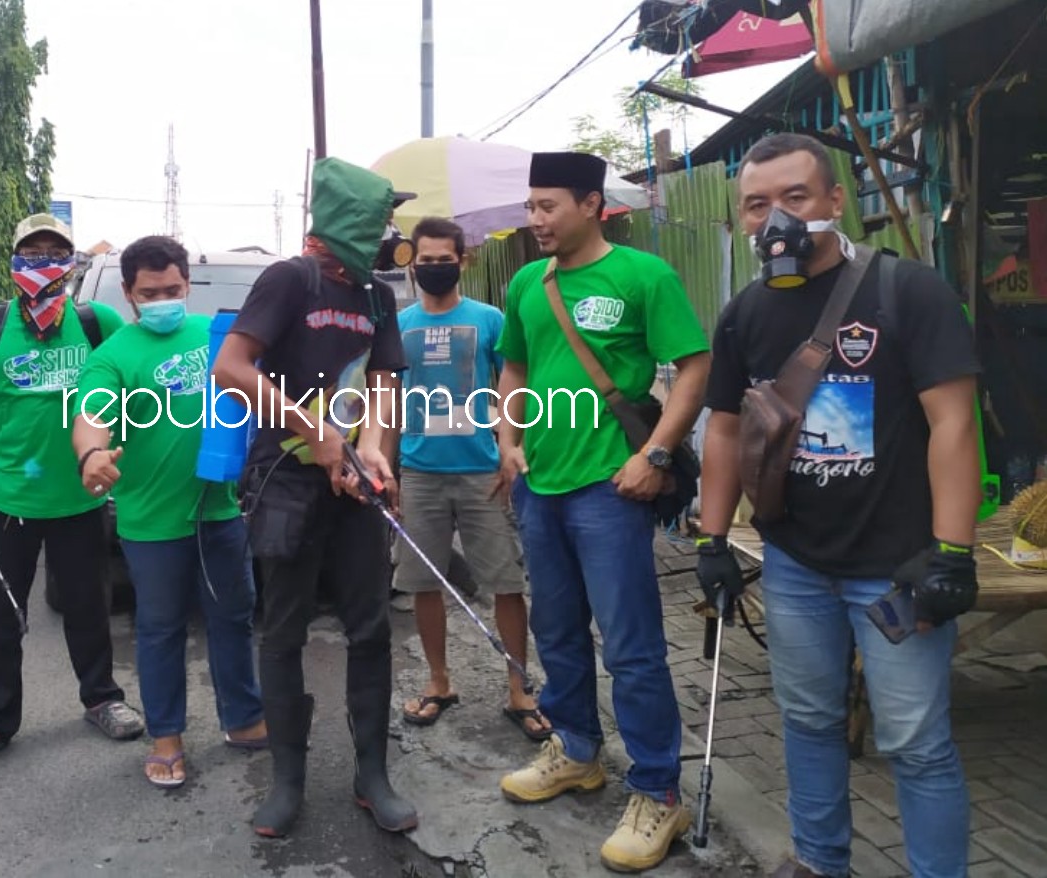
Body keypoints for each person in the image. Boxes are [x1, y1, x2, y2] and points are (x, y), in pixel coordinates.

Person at [694, 133, 979, 878]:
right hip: (794, 564)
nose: (775, 220)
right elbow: (723, 428)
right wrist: (712, 539)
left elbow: (952, 422)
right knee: (808, 720)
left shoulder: (905, 291)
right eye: (756, 205)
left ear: (832, 202)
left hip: (896, 566)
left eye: (794, 198)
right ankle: (819, 863)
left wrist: (953, 550)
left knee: (915, 743)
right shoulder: (744, 313)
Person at [495, 152, 711, 872]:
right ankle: (577, 750)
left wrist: (653, 454)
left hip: (609, 491)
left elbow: (694, 367)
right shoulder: (529, 282)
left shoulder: (643, 276)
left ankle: (657, 791)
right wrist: (507, 435)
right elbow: (516, 367)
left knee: (631, 646)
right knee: (554, 630)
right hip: (540, 486)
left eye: (547, 205)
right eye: (529, 206)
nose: (535, 220)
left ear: (591, 204)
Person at [212, 157, 417, 838]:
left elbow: (384, 384)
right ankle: (286, 783)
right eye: (380, 221)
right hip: (288, 482)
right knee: (283, 631)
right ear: (346, 223)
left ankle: (371, 776)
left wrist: (373, 452)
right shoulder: (288, 279)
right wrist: (314, 431)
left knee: (370, 627)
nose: (390, 234)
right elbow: (230, 368)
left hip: (355, 485)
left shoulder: (377, 295)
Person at [0, 212, 144, 778]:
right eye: (32, 251)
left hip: (82, 501)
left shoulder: (98, 322)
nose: (43, 262)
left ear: (71, 264)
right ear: (14, 260)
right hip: (3, 502)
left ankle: (102, 699)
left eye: (55, 252)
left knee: (90, 610)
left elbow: (140, 382)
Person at [72, 234, 266, 789]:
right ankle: (167, 737)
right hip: (151, 521)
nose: (164, 299)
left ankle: (244, 719)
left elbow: (256, 391)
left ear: (188, 285)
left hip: (221, 512)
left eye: (174, 289)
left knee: (233, 618)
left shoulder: (218, 339)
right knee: (160, 630)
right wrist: (90, 454)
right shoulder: (113, 356)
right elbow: (91, 416)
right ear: (130, 296)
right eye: (151, 292)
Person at [392, 216, 546, 740]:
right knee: (423, 584)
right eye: (425, 260)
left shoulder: (490, 320)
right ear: (412, 264)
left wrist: (512, 448)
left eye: (444, 259)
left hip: (483, 473)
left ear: (464, 259)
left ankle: (518, 687)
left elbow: (512, 389)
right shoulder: (399, 325)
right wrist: (387, 471)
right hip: (419, 474)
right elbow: (385, 403)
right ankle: (438, 682)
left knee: (505, 583)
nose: (434, 268)